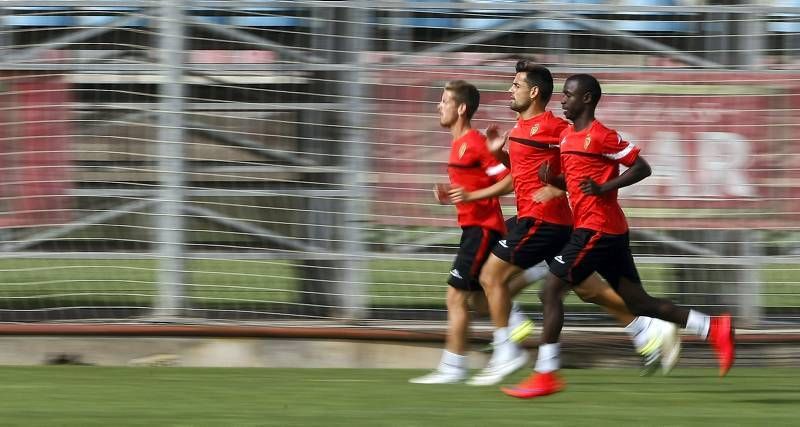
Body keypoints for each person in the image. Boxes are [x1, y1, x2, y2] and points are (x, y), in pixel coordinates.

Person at [502, 73, 735, 399]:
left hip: (597, 229)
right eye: (563, 95)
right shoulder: (568, 136)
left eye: (569, 95)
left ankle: (545, 374)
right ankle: (713, 327)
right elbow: (578, 180)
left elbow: (642, 167)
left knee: (550, 291)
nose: (563, 100)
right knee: (639, 302)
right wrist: (553, 178)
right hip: (606, 231)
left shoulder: (602, 136)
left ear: (587, 99)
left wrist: (605, 187)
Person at [468, 61, 680, 386]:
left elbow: (578, 157)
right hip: (548, 221)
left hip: (547, 219)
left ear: (534, 92)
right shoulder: (519, 128)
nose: (509, 90)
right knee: (587, 288)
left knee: (490, 275)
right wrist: (499, 156)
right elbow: (522, 174)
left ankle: (508, 344)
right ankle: (647, 331)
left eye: (515, 85)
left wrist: (558, 185)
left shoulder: (555, 128)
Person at [409, 80, 534, 384]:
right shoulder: (458, 144)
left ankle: (453, 367)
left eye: (444, 100)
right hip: (473, 229)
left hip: (483, 230)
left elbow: (510, 179)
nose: (439, 106)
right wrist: (452, 195)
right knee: (477, 301)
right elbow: (475, 186)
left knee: (454, 297)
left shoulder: (475, 143)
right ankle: (524, 293)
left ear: (461, 108)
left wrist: (469, 197)